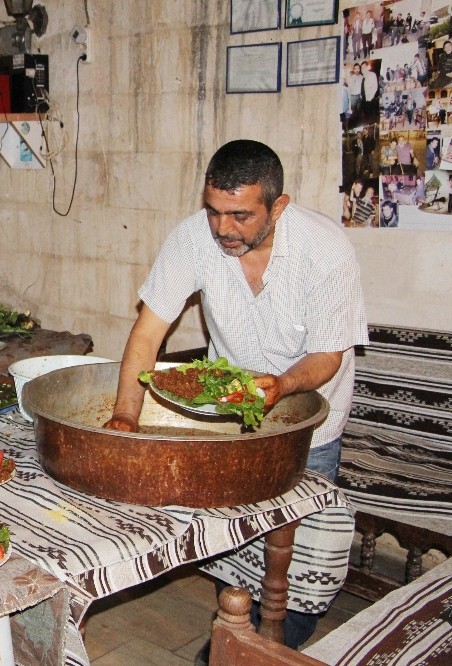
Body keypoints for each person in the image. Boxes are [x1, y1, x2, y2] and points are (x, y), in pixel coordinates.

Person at [103, 140, 368, 655]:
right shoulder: (193, 239)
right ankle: (235, 639)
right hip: (230, 421)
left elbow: (327, 357)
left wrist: (282, 386)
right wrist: (123, 417)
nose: (224, 229)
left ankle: (255, 649)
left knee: (303, 564)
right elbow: (146, 336)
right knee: (236, 546)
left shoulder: (325, 248)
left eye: (241, 216)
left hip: (310, 425)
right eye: (214, 211)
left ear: (279, 205)